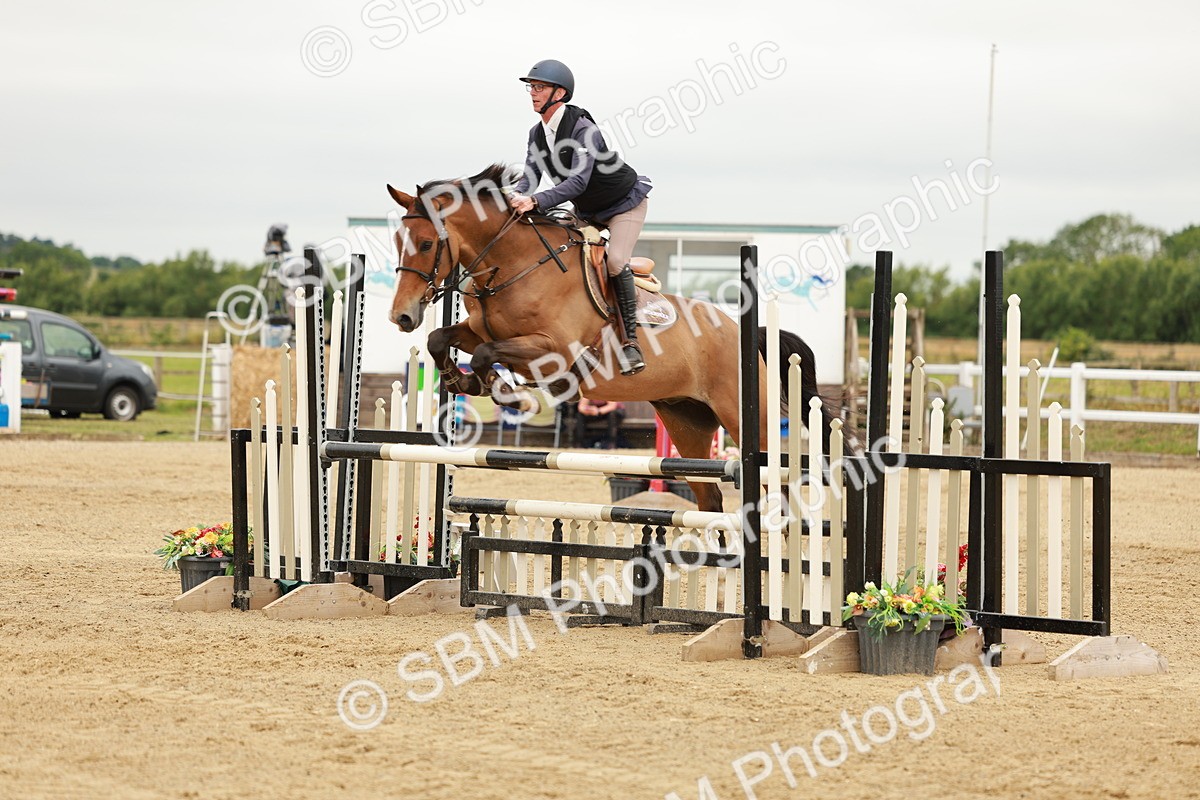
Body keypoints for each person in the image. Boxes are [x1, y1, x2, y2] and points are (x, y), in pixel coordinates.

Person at [509, 59, 652, 376]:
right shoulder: (537, 134)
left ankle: (630, 343)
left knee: (615, 262)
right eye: (531, 87)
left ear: (559, 93)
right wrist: (512, 198)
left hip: (624, 205)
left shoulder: (585, 130)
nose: (533, 93)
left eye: (539, 87)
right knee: (559, 251)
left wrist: (534, 201)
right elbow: (529, 179)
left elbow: (577, 182)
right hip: (588, 211)